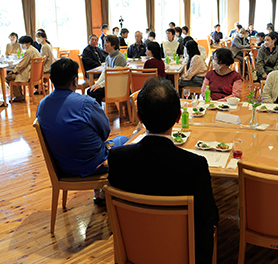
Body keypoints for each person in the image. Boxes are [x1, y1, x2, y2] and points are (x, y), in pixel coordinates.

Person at [108, 77, 219, 264]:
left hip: (134, 246)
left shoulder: (117, 157)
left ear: (140, 118)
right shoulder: (195, 165)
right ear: (178, 117)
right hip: (184, 252)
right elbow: (210, 216)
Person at [37, 58, 128, 181]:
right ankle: (112, 191)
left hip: (61, 166)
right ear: (75, 81)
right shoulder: (85, 103)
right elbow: (105, 131)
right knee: (124, 140)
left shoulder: (42, 105)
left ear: (52, 80)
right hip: (92, 164)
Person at [87, 35, 127, 105]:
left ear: (113, 45)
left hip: (118, 87)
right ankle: (94, 114)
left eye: (107, 42)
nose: (104, 44)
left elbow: (114, 77)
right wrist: (97, 84)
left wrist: (100, 85)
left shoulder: (119, 57)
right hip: (111, 84)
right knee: (90, 90)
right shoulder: (108, 57)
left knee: (95, 92)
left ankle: (98, 114)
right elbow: (104, 73)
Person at [5, 35, 42, 102]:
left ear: (28, 43)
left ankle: (18, 96)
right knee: (14, 75)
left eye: (22, 43)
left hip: (29, 75)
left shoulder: (29, 51)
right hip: (36, 75)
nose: (22, 45)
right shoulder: (34, 49)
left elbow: (22, 64)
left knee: (9, 77)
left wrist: (13, 71)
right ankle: (19, 95)